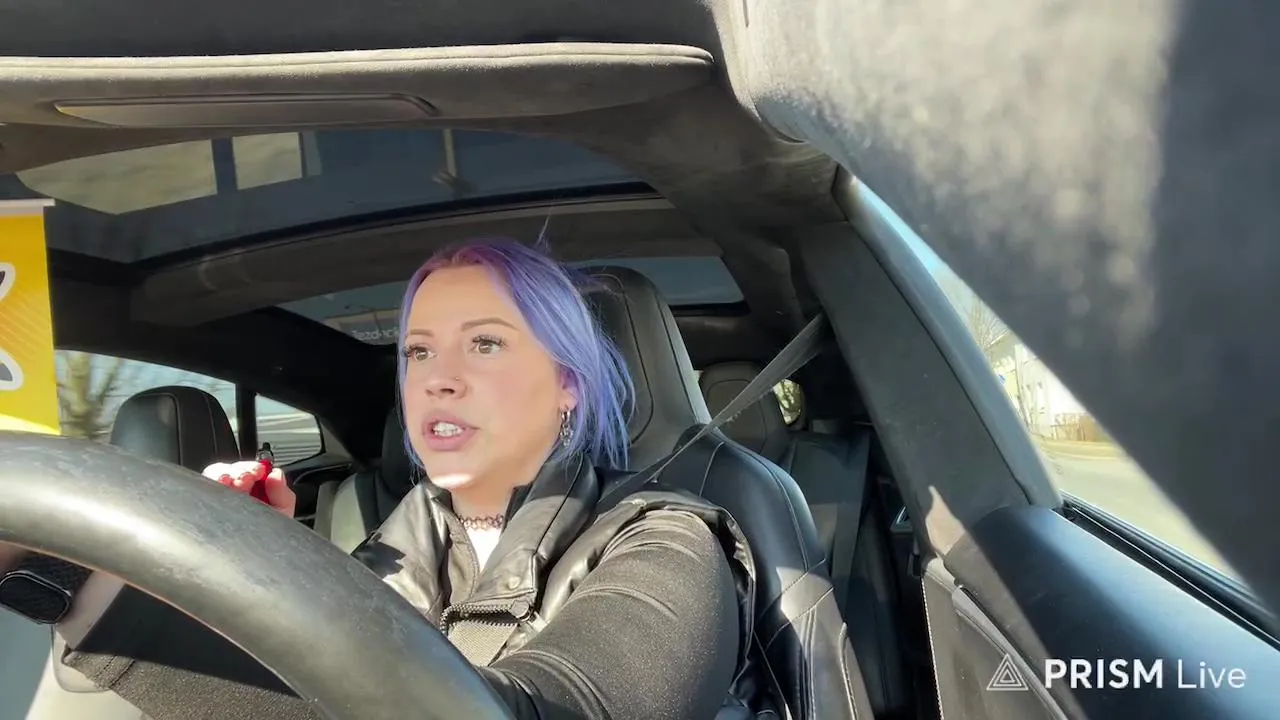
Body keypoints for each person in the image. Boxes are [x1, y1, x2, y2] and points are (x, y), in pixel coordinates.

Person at [5, 237, 765, 720]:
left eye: (486, 344)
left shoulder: (670, 543)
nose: (437, 378)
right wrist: (251, 567)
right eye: (419, 352)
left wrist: (63, 572)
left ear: (567, 383)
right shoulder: (379, 561)